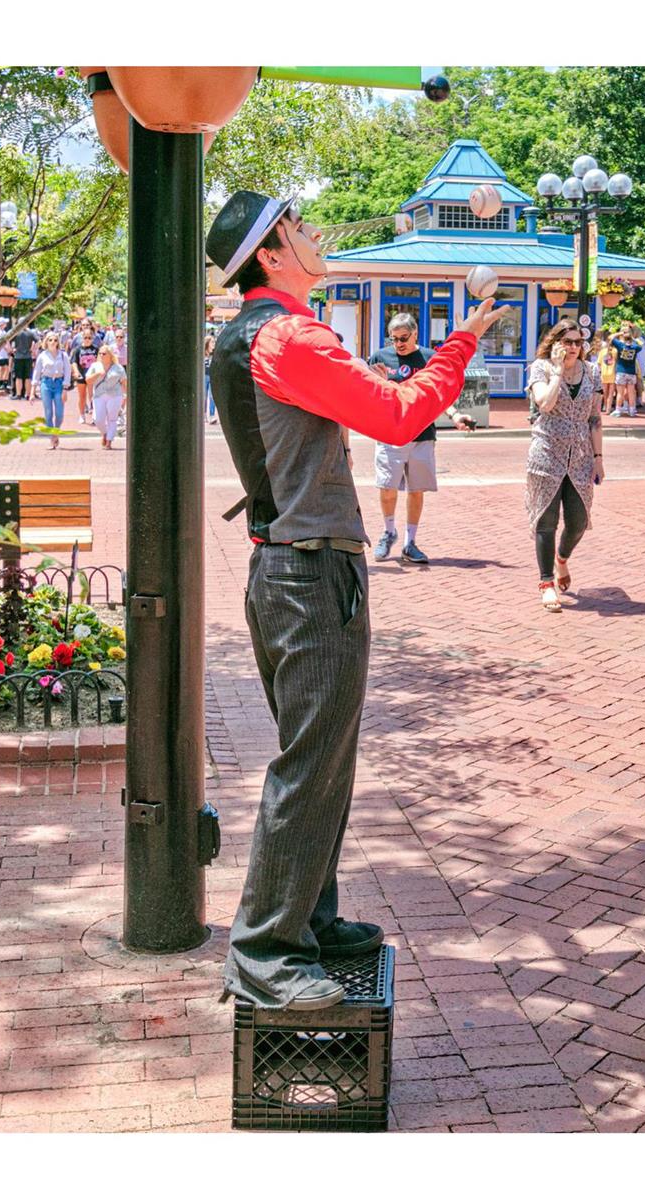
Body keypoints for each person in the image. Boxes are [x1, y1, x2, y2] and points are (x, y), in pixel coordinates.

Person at [205, 189, 510, 1008]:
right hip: (310, 577)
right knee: (310, 765)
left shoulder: (253, 334)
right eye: (298, 229)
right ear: (270, 257)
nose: (314, 234)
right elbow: (400, 415)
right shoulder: (289, 333)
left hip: (288, 571)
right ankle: (267, 949)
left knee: (324, 759)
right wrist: (466, 339)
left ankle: (310, 917)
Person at [368, 313, 473, 565]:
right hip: (389, 433)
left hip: (422, 434)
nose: (398, 344)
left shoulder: (429, 359)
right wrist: (379, 383)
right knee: (386, 487)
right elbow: (367, 391)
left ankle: (409, 542)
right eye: (393, 339)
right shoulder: (380, 358)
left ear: (415, 333)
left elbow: (440, 395)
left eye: (403, 338)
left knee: (416, 490)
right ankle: (388, 531)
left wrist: (456, 415)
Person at [525, 319, 603, 613]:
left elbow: (595, 418)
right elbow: (544, 403)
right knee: (546, 521)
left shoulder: (592, 372)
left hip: (581, 456)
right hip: (547, 453)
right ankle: (546, 583)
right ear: (555, 342)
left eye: (578, 342)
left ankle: (561, 558)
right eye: (567, 341)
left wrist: (599, 459)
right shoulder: (541, 368)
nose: (573, 348)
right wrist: (558, 370)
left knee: (578, 520)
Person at [84, 344, 127, 449]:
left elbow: (124, 382)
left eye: (104, 353)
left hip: (115, 395)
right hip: (99, 394)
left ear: (110, 355)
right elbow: (88, 380)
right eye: (100, 353)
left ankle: (109, 441)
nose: (102, 355)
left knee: (112, 419)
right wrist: (97, 374)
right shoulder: (95, 366)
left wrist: (126, 395)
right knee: (98, 419)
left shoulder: (118, 367)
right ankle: (104, 433)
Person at [33, 332, 71, 449]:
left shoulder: (63, 355)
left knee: (59, 413)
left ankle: (56, 431)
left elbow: (67, 372)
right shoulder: (42, 356)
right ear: (46, 342)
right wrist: (32, 391)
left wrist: (65, 388)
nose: (53, 342)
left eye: (55, 340)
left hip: (59, 383)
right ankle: (52, 437)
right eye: (50, 340)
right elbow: (37, 372)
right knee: (48, 413)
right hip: (46, 383)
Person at [611, 321, 644, 417]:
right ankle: (632, 410)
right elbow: (641, 344)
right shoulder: (635, 347)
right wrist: (633, 337)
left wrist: (620, 333)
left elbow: (611, 337)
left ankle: (618, 409)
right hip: (631, 372)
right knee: (631, 392)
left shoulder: (620, 345)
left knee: (620, 393)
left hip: (621, 371)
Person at [70, 319, 100, 423]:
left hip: (92, 376)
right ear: (82, 337)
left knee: (93, 396)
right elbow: (73, 362)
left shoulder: (96, 349)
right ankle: (82, 415)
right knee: (82, 396)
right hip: (82, 375)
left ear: (92, 338)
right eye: (85, 337)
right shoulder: (78, 349)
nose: (87, 339)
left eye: (89, 338)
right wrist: (76, 372)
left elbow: (99, 361)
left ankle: (94, 415)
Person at [9, 322, 38, 401]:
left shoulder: (16, 333)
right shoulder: (30, 333)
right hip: (28, 356)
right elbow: (38, 341)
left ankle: (18, 395)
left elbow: (7, 340)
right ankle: (27, 395)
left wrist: (11, 350)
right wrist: (33, 349)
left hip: (18, 357)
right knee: (28, 377)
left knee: (18, 377)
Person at [598, 330, 617, 413]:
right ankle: (609, 408)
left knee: (605, 392)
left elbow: (599, 363)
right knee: (611, 393)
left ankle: (605, 407)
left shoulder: (602, 351)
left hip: (604, 373)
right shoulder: (616, 351)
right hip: (613, 373)